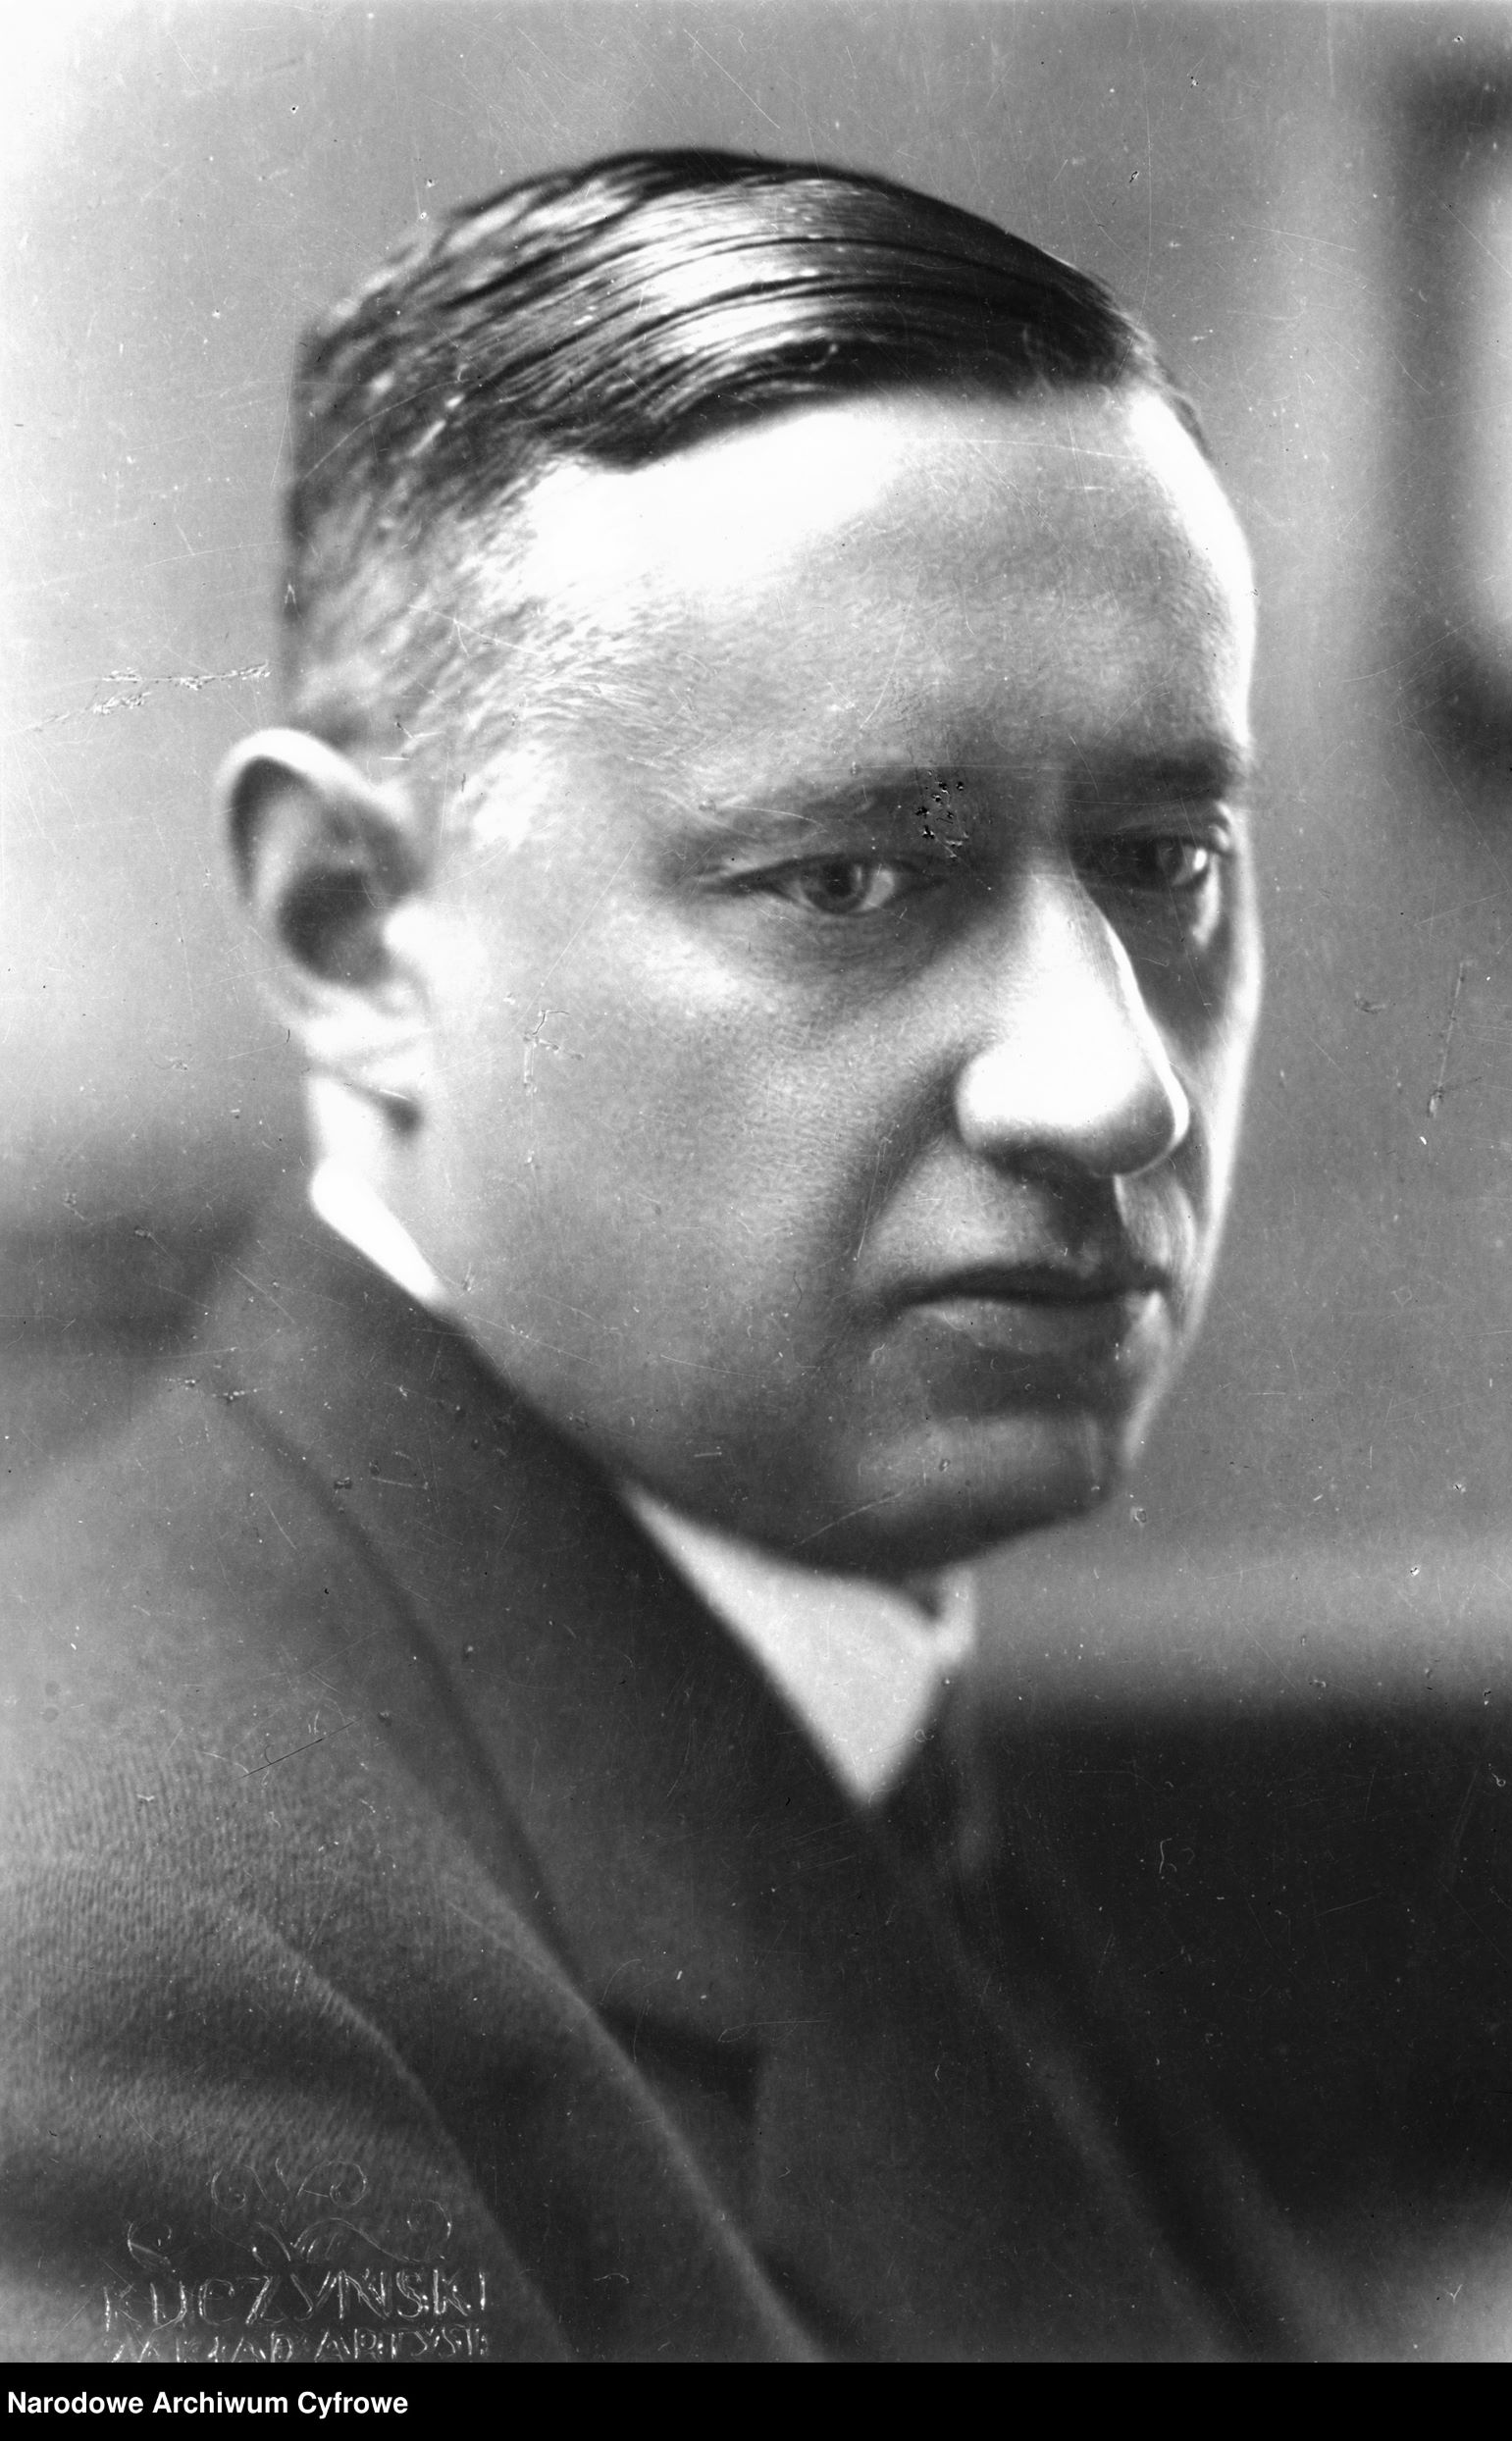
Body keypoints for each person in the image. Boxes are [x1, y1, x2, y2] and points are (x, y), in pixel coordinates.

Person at [0, 150, 1333, 2363]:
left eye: (1162, 857)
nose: (1113, 1086)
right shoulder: (134, 2004)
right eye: (848, 881)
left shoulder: (796, 1659)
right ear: (351, 929)